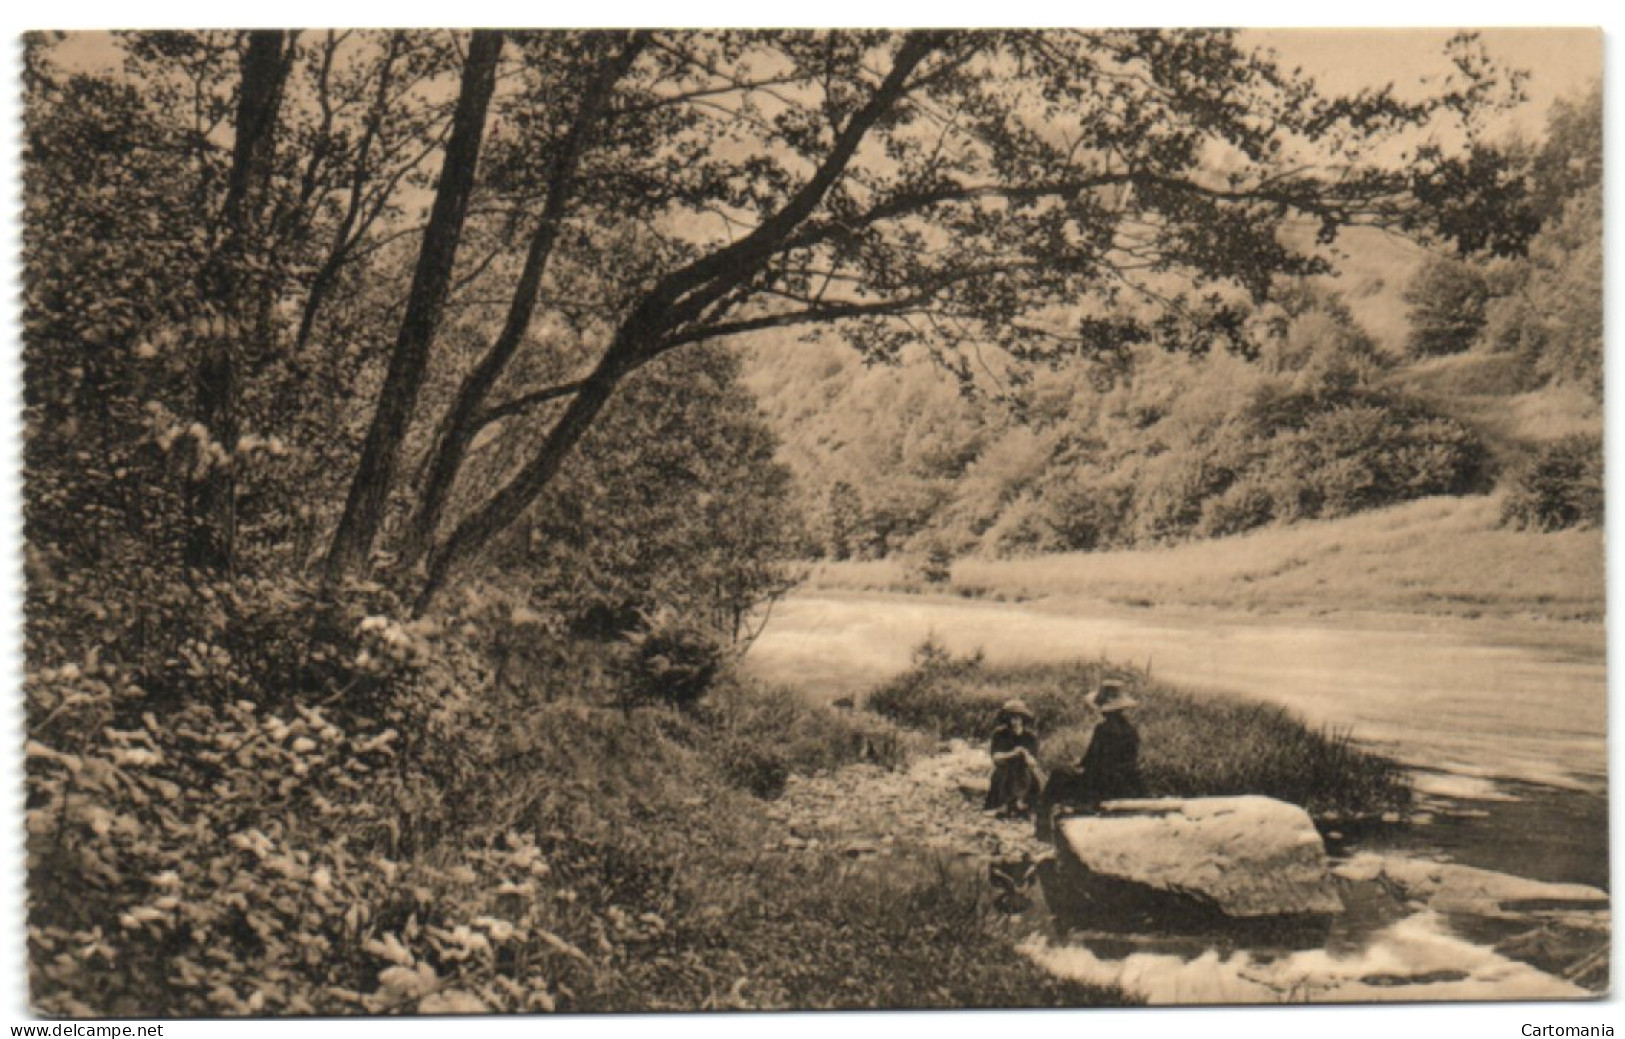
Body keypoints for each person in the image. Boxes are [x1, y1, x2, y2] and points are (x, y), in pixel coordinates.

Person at [1035, 679, 1145, 840]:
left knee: (1057, 776)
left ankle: (1042, 829)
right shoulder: (1131, 730)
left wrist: (1079, 765)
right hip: (1127, 782)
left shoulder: (1103, 729)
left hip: (1101, 784)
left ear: (1104, 709)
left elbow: (1093, 763)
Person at [984, 699, 1043, 819]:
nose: (1014, 721)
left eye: (1018, 718)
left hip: (1024, 771)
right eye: (1011, 718)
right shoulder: (999, 734)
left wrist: (1025, 754)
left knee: (1030, 775)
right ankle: (1005, 804)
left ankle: (1022, 802)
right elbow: (996, 758)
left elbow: (1033, 763)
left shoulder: (1030, 737)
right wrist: (1012, 754)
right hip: (1005, 769)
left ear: (1023, 719)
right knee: (1003, 773)